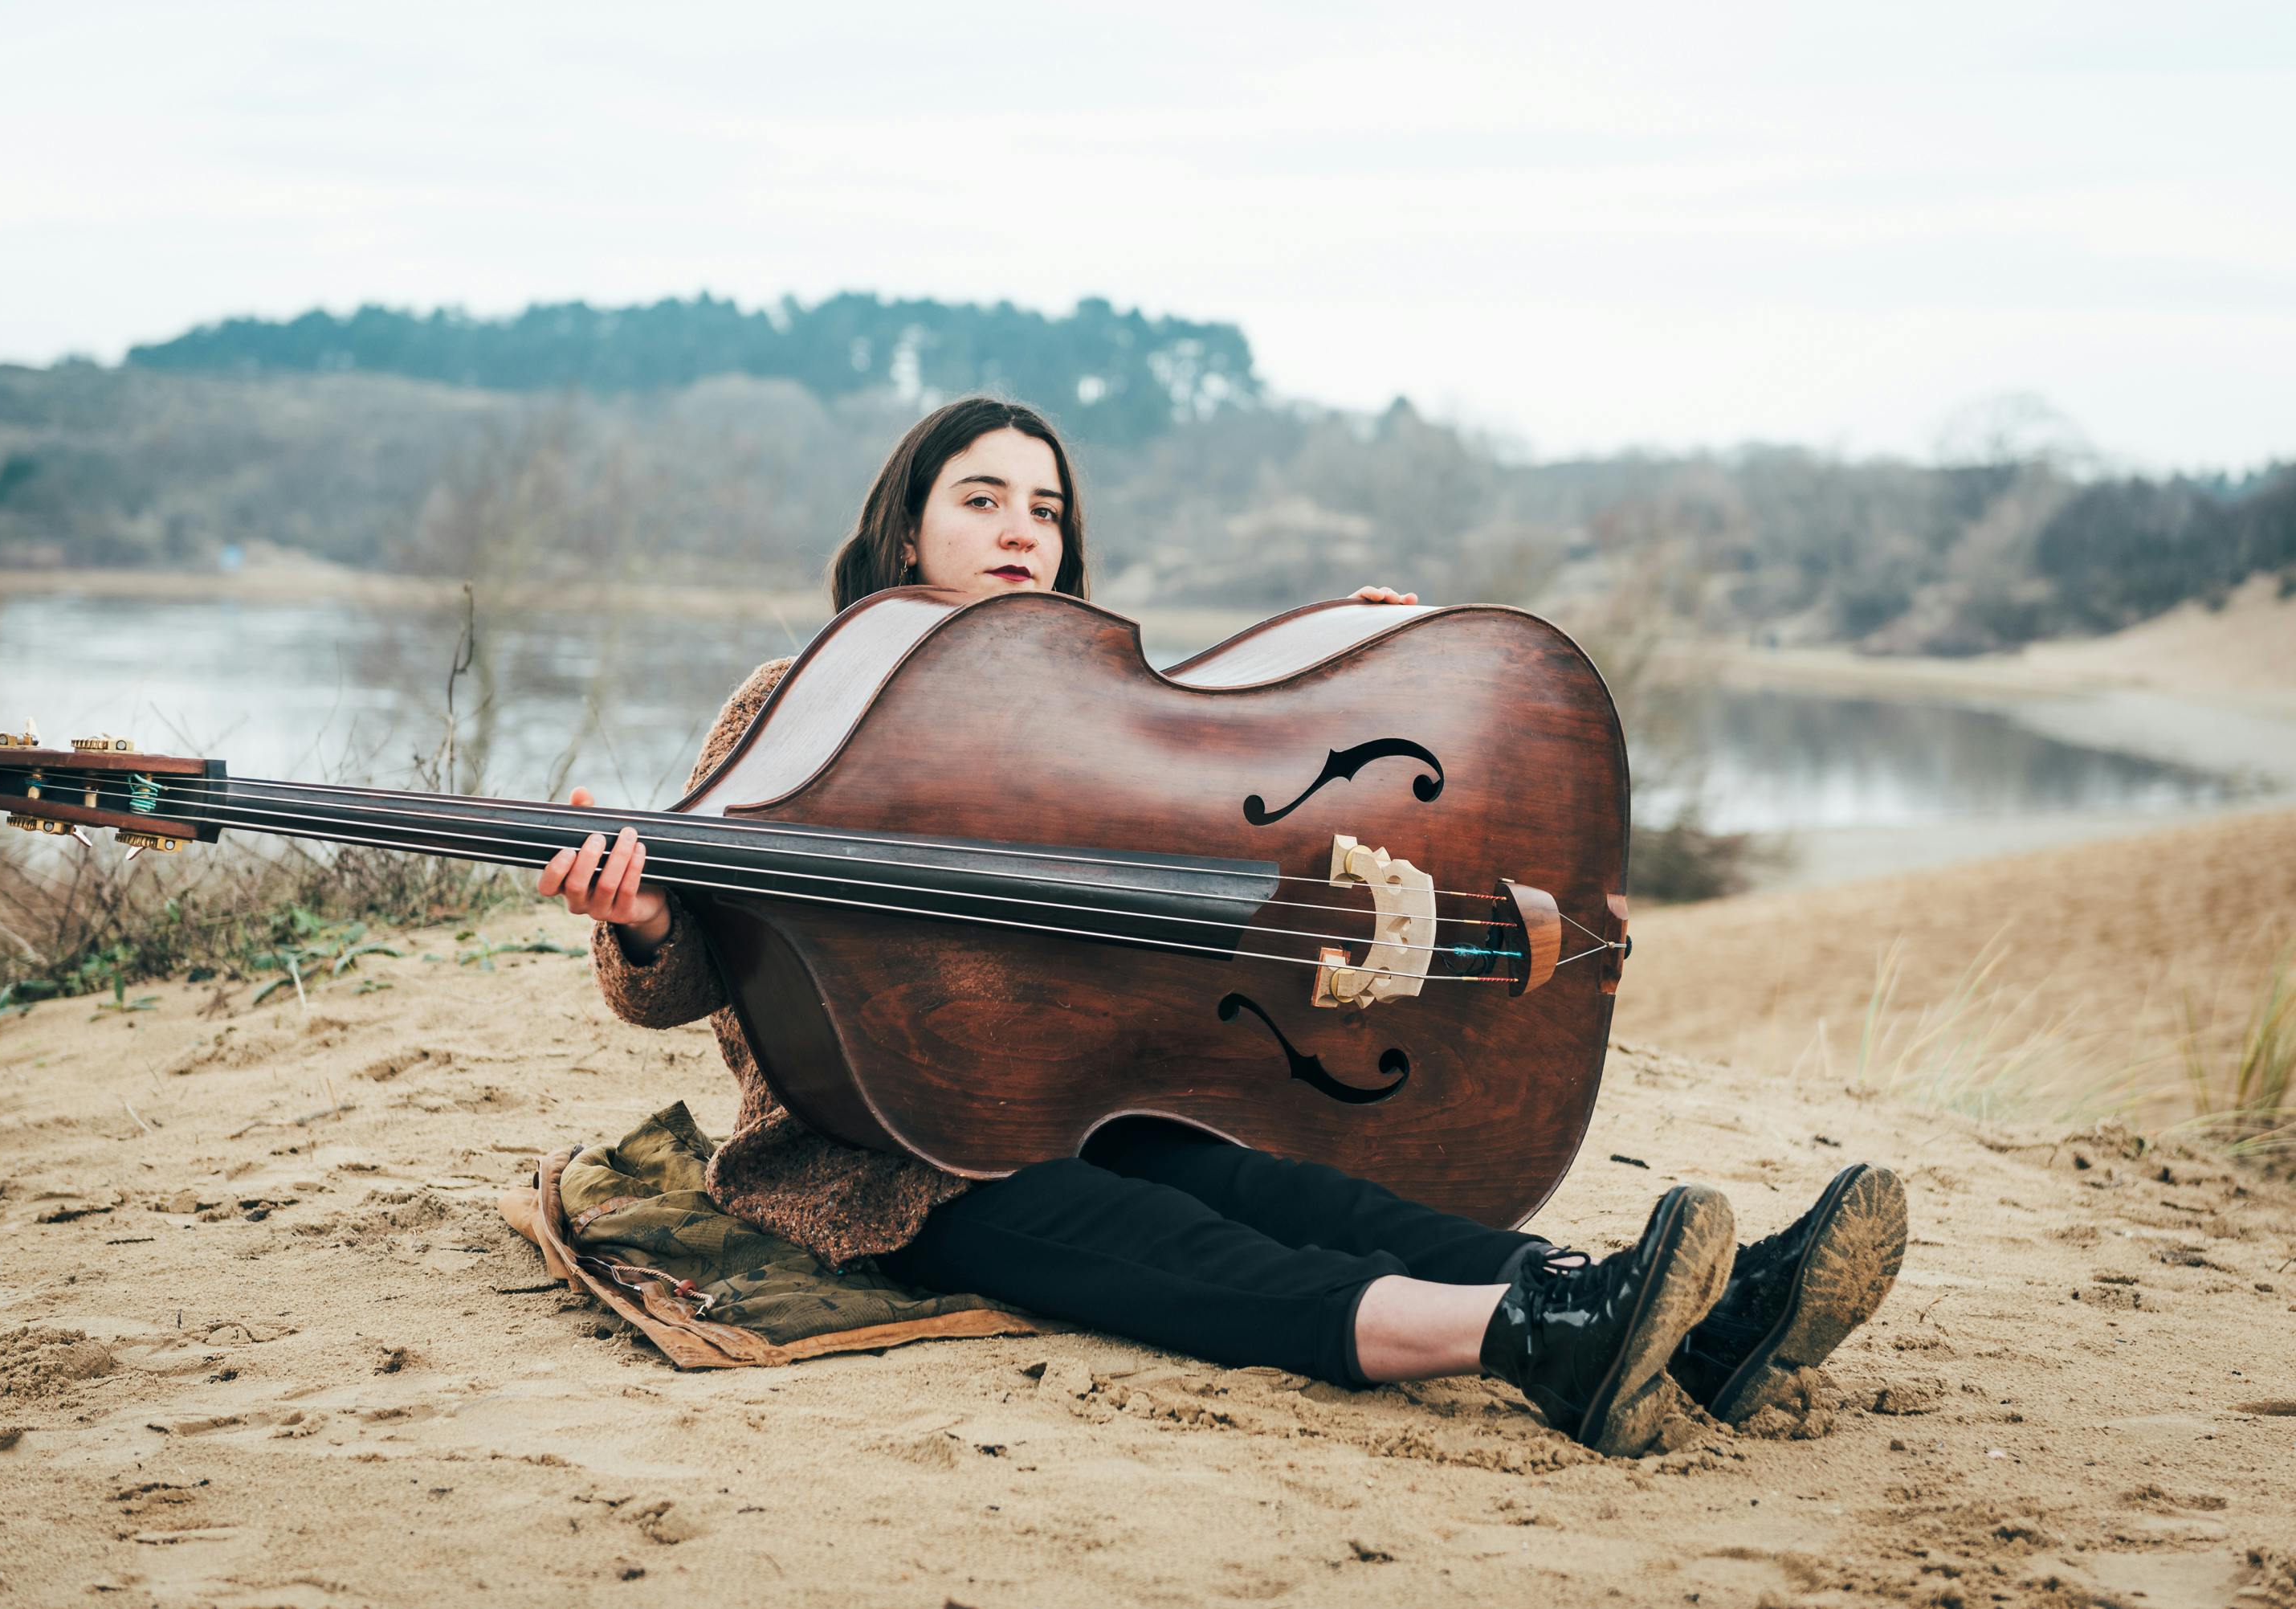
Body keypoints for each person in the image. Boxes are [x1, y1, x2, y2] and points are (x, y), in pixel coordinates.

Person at [536, 396, 1907, 1455]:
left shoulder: (1076, 708)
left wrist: (1354, 670)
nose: (1021, 531)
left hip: (1095, 1092)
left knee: (1291, 1195)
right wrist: (645, 917)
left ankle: (1698, 1322)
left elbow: (1220, 785)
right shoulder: (792, 697)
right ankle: (1538, 1335)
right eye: (983, 500)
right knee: (1192, 1260)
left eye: (1046, 510)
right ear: (908, 533)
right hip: (889, 1154)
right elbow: (673, 989)